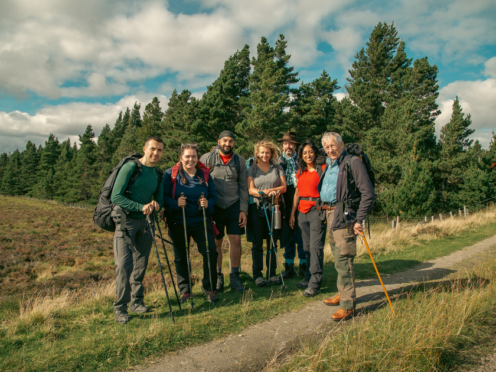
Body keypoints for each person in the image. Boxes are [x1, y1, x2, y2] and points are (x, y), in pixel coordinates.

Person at [318, 132, 375, 321]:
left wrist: (359, 219)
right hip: (331, 214)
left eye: (333, 145)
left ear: (341, 144)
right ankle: (342, 294)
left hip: (345, 216)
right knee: (337, 259)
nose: (330, 150)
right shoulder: (330, 164)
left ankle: (348, 304)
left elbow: (368, 193)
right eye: (326, 147)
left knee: (344, 260)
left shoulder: (353, 162)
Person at [110, 136, 165, 325]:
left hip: (146, 222)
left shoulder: (159, 175)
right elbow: (116, 196)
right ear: (144, 148)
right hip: (126, 221)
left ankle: (137, 301)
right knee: (124, 265)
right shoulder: (131, 168)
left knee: (140, 265)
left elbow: (160, 199)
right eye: (152, 149)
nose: (155, 153)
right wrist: (140, 206)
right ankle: (120, 308)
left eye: (159, 150)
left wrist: (156, 205)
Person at [163, 143, 219, 303]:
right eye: (187, 156)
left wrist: (208, 203)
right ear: (180, 158)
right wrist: (175, 203)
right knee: (181, 257)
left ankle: (210, 288)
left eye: (193, 156)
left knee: (211, 253)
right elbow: (164, 198)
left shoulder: (205, 175)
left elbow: (214, 197)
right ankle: (185, 291)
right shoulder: (170, 175)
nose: (190, 159)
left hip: (201, 220)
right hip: (178, 222)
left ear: (197, 157)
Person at [200, 131, 249, 293]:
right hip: (215, 207)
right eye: (225, 140)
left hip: (234, 206)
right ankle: (218, 276)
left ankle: (234, 276)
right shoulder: (206, 159)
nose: (228, 144)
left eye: (231, 141)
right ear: (218, 141)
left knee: (236, 240)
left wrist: (243, 209)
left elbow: (243, 186)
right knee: (217, 242)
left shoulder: (239, 160)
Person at [247, 140, 287, 286]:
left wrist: (271, 192)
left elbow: (283, 187)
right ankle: (257, 275)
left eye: (267, 152)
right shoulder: (252, 168)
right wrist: (264, 193)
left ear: (271, 153)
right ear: (257, 153)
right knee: (257, 243)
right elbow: (250, 189)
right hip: (258, 209)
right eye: (262, 152)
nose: (265, 155)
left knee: (272, 242)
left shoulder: (277, 168)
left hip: (275, 208)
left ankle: (272, 274)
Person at [289, 139, 326, 297]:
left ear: (315, 152)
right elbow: (297, 193)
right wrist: (292, 214)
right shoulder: (300, 171)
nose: (308, 155)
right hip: (301, 212)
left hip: (316, 210)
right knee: (306, 247)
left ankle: (315, 283)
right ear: (301, 156)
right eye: (305, 153)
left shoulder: (322, 169)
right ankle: (309, 276)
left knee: (316, 246)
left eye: (310, 151)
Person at [276, 131, 306, 279]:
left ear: (295, 146)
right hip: (283, 203)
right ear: (282, 145)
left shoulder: (302, 161)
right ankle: (289, 267)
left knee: (301, 236)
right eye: (286, 143)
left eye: (292, 144)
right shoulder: (276, 162)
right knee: (287, 237)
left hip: (301, 203)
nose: (289, 146)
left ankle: (304, 266)